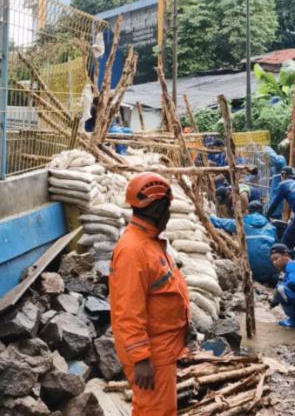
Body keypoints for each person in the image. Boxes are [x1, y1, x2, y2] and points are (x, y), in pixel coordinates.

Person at [110, 172, 190, 416]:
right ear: (156, 210)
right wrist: (141, 358)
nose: (168, 215)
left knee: (162, 410)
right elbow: (127, 310)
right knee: (154, 412)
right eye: (167, 209)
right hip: (152, 355)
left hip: (162, 349)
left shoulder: (149, 243)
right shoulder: (134, 250)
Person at [210, 200, 277, 283]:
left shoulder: (241, 223)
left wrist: (209, 217)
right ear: (262, 212)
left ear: (248, 211)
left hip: (251, 269)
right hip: (269, 270)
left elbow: (221, 223)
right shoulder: (271, 227)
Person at [264, 146, 287, 220]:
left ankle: (276, 217)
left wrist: (269, 155)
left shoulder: (280, 158)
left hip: (278, 185)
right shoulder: (272, 165)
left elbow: (279, 163)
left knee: (276, 203)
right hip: (274, 186)